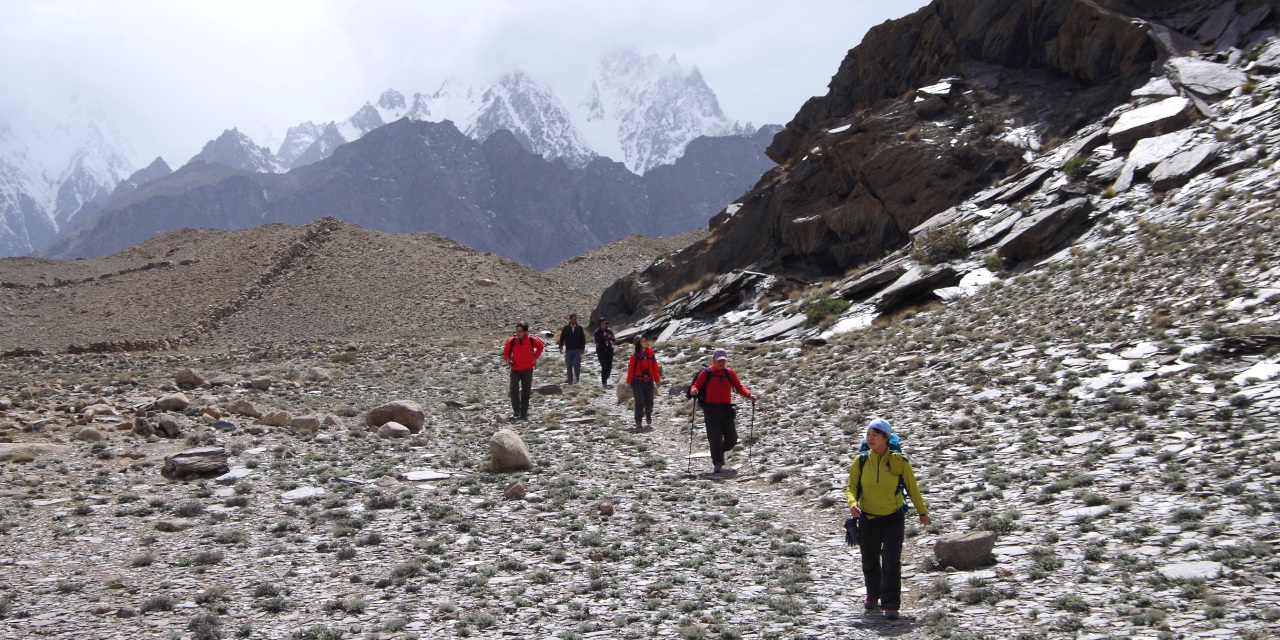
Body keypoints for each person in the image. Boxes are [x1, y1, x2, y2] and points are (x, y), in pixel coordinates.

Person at [845, 418, 930, 620]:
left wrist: (922, 512)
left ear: (886, 438)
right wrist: (852, 503)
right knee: (869, 559)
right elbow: (851, 486)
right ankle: (873, 595)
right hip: (868, 518)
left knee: (892, 560)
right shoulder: (862, 460)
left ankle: (891, 604)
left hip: (894, 518)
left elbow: (912, 487)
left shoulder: (899, 462)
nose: (870, 439)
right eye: (868, 435)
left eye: (875, 435)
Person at [688, 348, 756, 473]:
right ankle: (717, 462)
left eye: (723, 361)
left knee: (732, 439)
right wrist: (694, 390)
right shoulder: (706, 373)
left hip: (726, 410)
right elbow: (696, 384)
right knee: (714, 439)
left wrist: (749, 395)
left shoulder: (729, 373)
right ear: (713, 360)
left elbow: (739, 387)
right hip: (710, 410)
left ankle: (721, 452)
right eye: (719, 361)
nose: (721, 363)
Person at [502, 322, 544, 421]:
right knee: (514, 389)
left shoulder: (531, 340)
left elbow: (541, 347)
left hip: (527, 369)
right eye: (517, 331)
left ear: (525, 332)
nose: (518, 333)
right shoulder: (512, 341)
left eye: (520, 331)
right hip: (515, 369)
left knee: (526, 392)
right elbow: (506, 352)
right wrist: (508, 359)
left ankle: (524, 413)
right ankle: (517, 410)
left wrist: (534, 357)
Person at [625, 335, 661, 429]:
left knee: (650, 402)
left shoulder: (651, 355)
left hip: (649, 381)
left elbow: (655, 368)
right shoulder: (634, 357)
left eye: (646, 340)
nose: (646, 342)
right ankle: (638, 421)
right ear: (638, 344)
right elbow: (631, 370)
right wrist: (628, 382)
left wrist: (657, 380)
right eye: (643, 341)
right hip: (637, 382)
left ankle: (648, 414)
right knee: (640, 402)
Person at [556, 314, 587, 384]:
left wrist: (582, 348)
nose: (574, 320)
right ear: (570, 319)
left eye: (575, 319)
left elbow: (583, 339)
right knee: (569, 366)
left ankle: (577, 379)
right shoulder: (566, 328)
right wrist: (560, 346)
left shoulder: (579, 328)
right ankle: (570, 381)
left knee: (576, 364)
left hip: (577, 349)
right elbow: (562, 338)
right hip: (568, 350)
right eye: (573, 319)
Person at [593, 317, 616, 388]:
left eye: (604, 323)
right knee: (604, 366)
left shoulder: (609, 331)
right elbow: (597, 341)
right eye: (602, 324)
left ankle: (606, 377)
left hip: (609, 350)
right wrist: (603, 337)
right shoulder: (597, 332)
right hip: (601, 350)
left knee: (609, 366)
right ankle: (604, 382)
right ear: (600, 325)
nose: (603, 325)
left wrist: (610, 337)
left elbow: (614, 340)